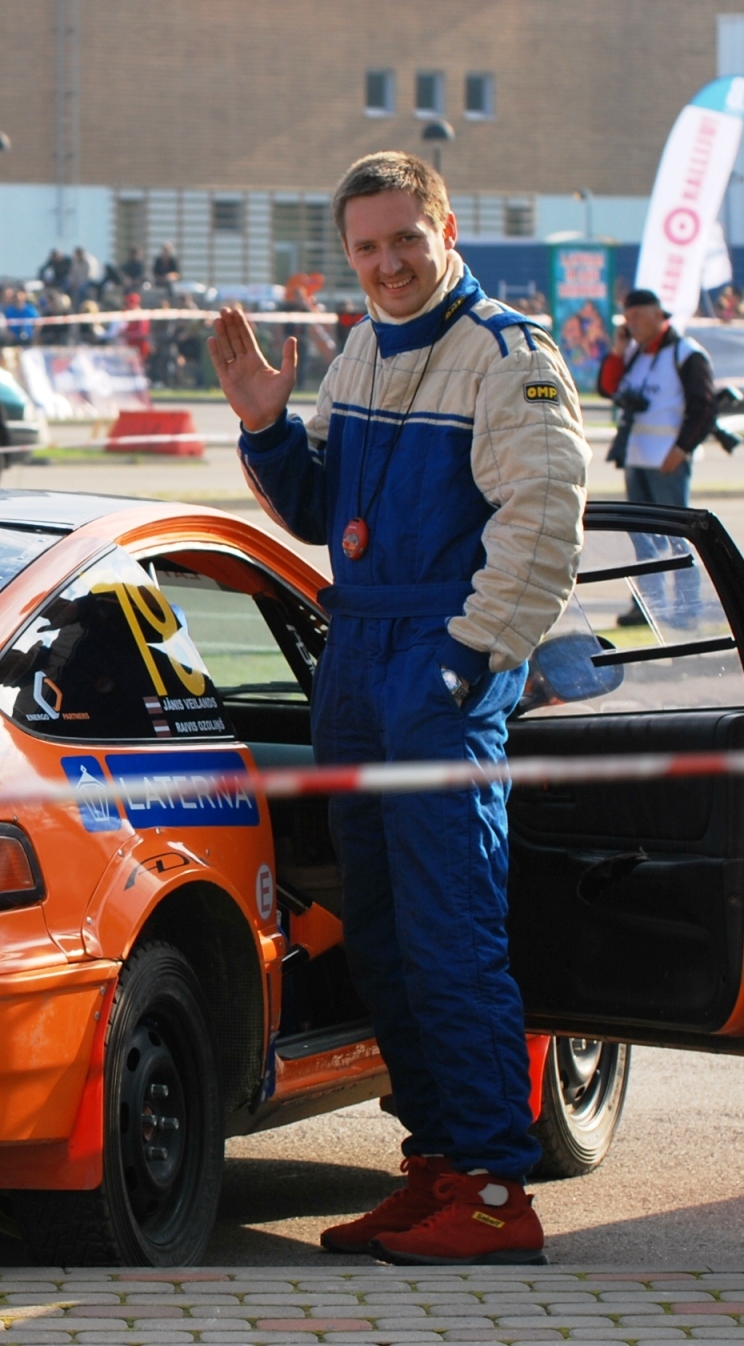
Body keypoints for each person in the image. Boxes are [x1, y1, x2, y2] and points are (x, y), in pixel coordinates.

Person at [209, 151, 589, 1267]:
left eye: (405, 240)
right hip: (360, 659)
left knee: (450, 937)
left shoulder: (510, 354)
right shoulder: (363, 349)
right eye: (367, 248)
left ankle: (495, 1191)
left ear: (445, 229)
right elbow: (319, 509)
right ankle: (438, 1166)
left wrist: (465, 666)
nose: (387, 264)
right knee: (380, 938)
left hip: (437, 665)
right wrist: (267, 427)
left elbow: (545, 523)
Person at [598, 287, 715, 626]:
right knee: (643, 539)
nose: (630, 324)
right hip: (637, 457)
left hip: (668, 462)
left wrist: (681, 449)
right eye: (627, 318)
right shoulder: (635, 353)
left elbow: (704, 407)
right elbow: (608, 387)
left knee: (679, 538)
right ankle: (646, 606)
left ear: (657, 315)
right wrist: (619, 350)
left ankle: (687, 608)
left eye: (636, 317)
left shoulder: (685, 353)